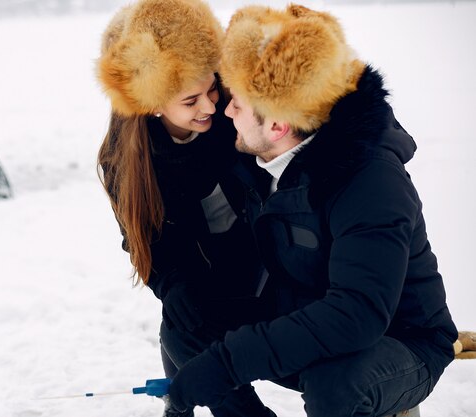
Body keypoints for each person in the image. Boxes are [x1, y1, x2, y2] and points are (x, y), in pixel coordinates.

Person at [167, 4, 458, 417]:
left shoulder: (372, 181)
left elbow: (358, 314)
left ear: (278, 126)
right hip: (305, 316)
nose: (225, 110)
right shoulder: (261, 152)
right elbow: (168, 152)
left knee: (334, 384)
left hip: (401, 341)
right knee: (187, 329)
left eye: (237, 104)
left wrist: (230, 361)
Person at [96, 1, 274, 416]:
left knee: (179, 336)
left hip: (258, 254)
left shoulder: (233, 114)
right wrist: (173, 283)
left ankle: (181, 407)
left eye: (211, 88)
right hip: (195, 266)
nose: (210, 106)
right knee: (182, 326)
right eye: (191, 99)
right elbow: (142, 236)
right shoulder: (127, 159)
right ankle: (187, 406)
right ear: (154, 103)